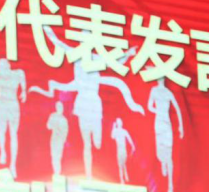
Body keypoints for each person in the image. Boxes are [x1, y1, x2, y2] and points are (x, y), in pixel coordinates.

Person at [30, 27, 144, 179]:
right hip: (82, 104)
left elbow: (115, 63)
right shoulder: (75, 55)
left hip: (95, 103)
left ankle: (97, 144)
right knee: (87, 144)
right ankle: (89, 175)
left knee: (97, 142)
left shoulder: (97, 58)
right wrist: (45, 27)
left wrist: (128, 54)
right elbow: (58, 43)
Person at [0, 58, 26, 178]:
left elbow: (22, 76)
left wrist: (24, 91)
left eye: (3, 66)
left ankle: (13, 164)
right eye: (0, 66)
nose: (1, 68)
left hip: (13, 106)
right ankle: (3, 152)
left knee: (13, 134)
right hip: (2, 106)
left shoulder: (16, 74)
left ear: (8, 66)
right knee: (2, 131)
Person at [147, 77, 184, 192]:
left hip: (167, 125)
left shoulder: (168, 93)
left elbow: (177, 108)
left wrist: (181, 126)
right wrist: (157, 111)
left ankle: (170, 185)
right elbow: (149, 106)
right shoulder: (154, 90)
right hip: (158, 124)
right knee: (159, 153)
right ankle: (163, 162)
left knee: (169, 156)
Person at [46, 101, 69, 175]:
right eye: (58, 106)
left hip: (60, 140)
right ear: (56, 107)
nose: (60, 108)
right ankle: (55, 172)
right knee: (53, 156)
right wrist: (53, 126)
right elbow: (48, 126)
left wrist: (63, 140)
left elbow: (65, 131)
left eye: (61, 106)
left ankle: (57, 172)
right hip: (54, 139)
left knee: (58, 156)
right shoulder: (53, 116)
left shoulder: (64, 119)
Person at [110, 117, 136, 183]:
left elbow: (129, 138)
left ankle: (125, 175)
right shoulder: (115, 131)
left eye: (120, 122)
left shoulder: (124, 131)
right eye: (118, 122)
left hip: (124, 150)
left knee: (123, 163)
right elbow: (112, 136)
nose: (119, 123)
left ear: (121, 123)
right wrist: (113, 127)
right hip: (119, 150)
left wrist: (132, 145)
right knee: (120, 165)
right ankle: (122, 179)